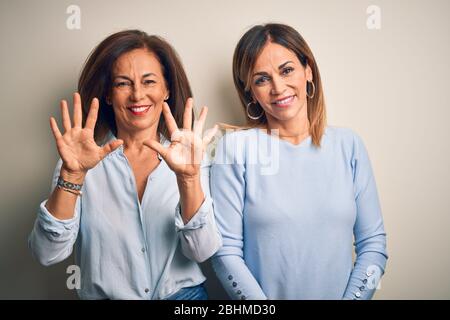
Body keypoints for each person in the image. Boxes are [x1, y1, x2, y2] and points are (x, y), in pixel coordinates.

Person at [28, 30, 222, 300]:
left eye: (149, 81)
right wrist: (72, 175)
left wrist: (189, 179)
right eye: (123, 83)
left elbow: (201, 251)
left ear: (166, 90)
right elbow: (47, 253)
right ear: (108, 94)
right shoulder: (78, 164)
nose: (137, 95)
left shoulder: (191, 158)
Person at [210, 23, 388, 300]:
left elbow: (374, 245)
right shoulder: (235, 149)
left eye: (286, 70)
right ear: (251, 92)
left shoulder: (349, 145)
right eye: (261, 79)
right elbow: (225, 253)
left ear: (308, 70)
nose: (278, 87)